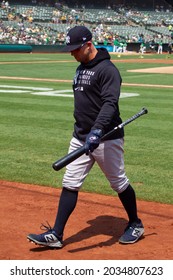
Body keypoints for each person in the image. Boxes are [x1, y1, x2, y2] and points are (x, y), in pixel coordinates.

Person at [27, 26, 144, 248]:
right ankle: (56, 234)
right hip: (81, 136)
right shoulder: (80, 68)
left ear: (88, 45)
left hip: (106, 138)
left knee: (118, 182)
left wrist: (97, 130)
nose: (72, 54)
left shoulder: (108, 70)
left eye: (75, 49)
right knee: (70, 182)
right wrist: (84, 131)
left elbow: (110, 104)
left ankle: (135, 223)